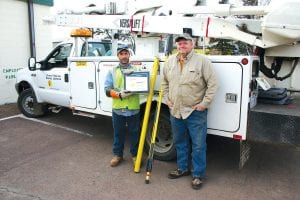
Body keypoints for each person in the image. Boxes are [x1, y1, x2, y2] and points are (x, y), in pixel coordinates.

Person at [161, 34, 218, 190]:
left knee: (199, 145)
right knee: (180, 142)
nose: (182, 46)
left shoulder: (202, 61)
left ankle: (198, 175)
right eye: (179, 44)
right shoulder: (170, 62)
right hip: (176, 111)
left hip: (195, 112)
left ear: (192, 44)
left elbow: (213, 84)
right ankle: (182, 168)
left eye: (185, 43)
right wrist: (167, 99)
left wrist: (204, 104)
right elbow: (164, 82)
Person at [104, 46, 140, 168]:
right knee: (118, 133)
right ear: (118, 56)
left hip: (133, 108)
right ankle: (117, 155)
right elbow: (107, 90)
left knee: (135, 134)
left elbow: (142, 85)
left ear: (129, 55)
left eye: (126, 53)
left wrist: (139, 88)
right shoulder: (112, 71)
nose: (124, 56)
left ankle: (135, 156)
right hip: (118, 109)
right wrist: (119, 94)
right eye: (122, 54)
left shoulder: (137, 69)